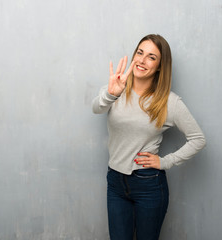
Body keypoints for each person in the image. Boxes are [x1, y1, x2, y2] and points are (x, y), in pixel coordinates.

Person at [92, 34, 206, 240]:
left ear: (160, 66)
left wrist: (166, 161)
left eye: (151, 57)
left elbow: (198, 138)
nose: (142, 60)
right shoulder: (116, 87)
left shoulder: (169, 102)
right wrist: (111, 94)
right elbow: (96, 108)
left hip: (149, 185)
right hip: (115, 182)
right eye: (140, 53)